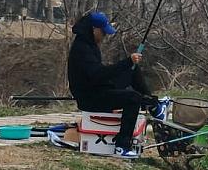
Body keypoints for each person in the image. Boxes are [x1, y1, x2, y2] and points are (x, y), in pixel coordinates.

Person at [67, 11, 168, 157]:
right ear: (94, 29)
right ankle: (121, 146)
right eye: (103, 32)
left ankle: (153, 106)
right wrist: (126, 62)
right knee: (132, 98)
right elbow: (98, 74)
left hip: (97, 88)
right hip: (90, 99)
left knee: (132, 70)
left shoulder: (89, 43)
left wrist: (128, 65)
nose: (105, 36)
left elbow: (98, 76)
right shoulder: (82, 49)